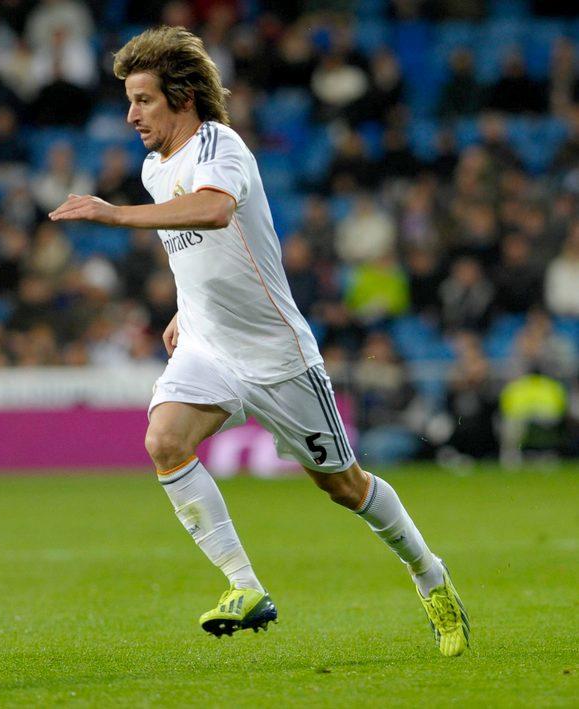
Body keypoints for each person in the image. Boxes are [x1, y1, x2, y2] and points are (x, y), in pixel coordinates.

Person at [49, 27, 469, 657]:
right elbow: (198, 251)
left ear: (182, 97)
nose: (131, 115)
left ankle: (429, 574)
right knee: (164, 442)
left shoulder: (221, 145)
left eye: (143, 100)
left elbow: (215, 211)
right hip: (209, 347)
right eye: (129, 101)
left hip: (277, 357)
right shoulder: (153, 168)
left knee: (345, 487)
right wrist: (184, 309)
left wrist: (115, 214)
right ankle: (244, 586)